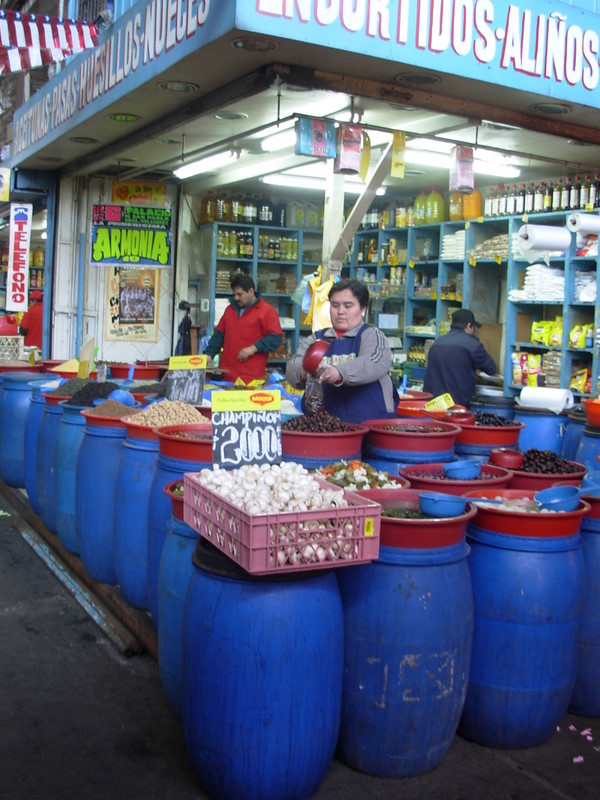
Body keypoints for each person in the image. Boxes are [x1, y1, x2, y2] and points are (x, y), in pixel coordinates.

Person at [286, 278, 398, 423]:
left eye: (348, 306)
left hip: (369, 423)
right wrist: (303, 371)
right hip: (323, 424)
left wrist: (339, 372)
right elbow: (292, 365)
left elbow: (374, 362)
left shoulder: (372, 335)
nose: (340, 312)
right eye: (335, 305)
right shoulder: (317, 338)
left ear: (363, 309)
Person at [204, 273, 283, 383]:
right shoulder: (229, 310)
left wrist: (253, 348)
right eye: (234, 294)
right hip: (226, 375)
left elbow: (276, 338)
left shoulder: (267, 312)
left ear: (251, 291)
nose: (236, 298)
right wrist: (209, 354)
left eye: (240, 294)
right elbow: (218, 336)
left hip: (251, 379)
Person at [423, 308, 497, 408]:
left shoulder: (437, 343)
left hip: (434, 405)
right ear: (469, 326)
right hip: (458, 406)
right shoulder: (472, 344)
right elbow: (491, 369)